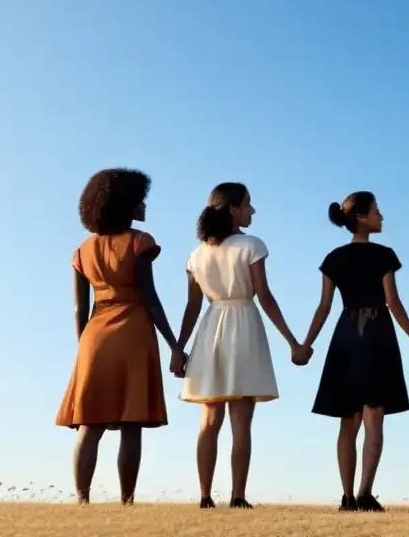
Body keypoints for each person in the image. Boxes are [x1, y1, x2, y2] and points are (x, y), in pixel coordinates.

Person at [175, 183, 310, 509]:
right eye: (248, 204)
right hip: (243, 325)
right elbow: (264, 296)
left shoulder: (196, 255)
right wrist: (293, 342)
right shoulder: (251, 245)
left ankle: (205, 496)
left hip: (210, 329)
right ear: (233, 209)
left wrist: (179, 349)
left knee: (209, 418)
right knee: (241, 421)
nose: (253, 210)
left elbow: (192, 306)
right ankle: (237, 496)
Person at [56, 168, 186, 505]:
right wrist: (175, 346)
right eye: (140, 199)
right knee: (131, 423)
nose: (144, 205)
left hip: (94, 336)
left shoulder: (82, 251)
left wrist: (82, 347)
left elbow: (77, 311)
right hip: (133, 331)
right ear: (127, 203)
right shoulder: (140, 242)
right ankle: (126, 502)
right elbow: (150, 298)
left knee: (90, 423)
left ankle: (82, 502)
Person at [301, 191, 409, 512]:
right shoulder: (384, 255)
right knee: (374, 417)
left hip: (346, 334)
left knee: (349, 420)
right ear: (361, 217)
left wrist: (307, 343)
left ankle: (346, 497)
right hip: (377, 334)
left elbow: (324, 307)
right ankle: (364, 493)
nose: (381, 216)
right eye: (377, 211)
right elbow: (393, 302)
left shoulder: (333, 258)